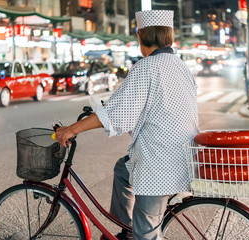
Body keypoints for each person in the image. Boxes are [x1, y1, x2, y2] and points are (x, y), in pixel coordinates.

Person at [54, 10, 199, 240]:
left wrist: (71, 129)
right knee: (123, 169)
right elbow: (157, 108)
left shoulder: (147, 67)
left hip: (159, 165)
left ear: (141, 38)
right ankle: (126, 230)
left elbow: (116, 114)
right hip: (184, 156)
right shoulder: (179, 65)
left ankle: (136, 234)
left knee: (147, 234)